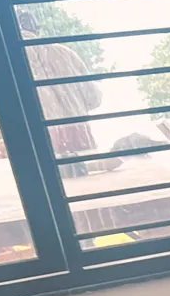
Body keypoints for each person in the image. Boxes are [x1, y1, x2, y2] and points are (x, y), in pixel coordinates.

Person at [17, 10, 105, 175]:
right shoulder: (65, 53)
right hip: (79, 129)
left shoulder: (10, 57)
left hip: (39, 136)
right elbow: (93, 98)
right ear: (37, 29)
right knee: (89, 184)